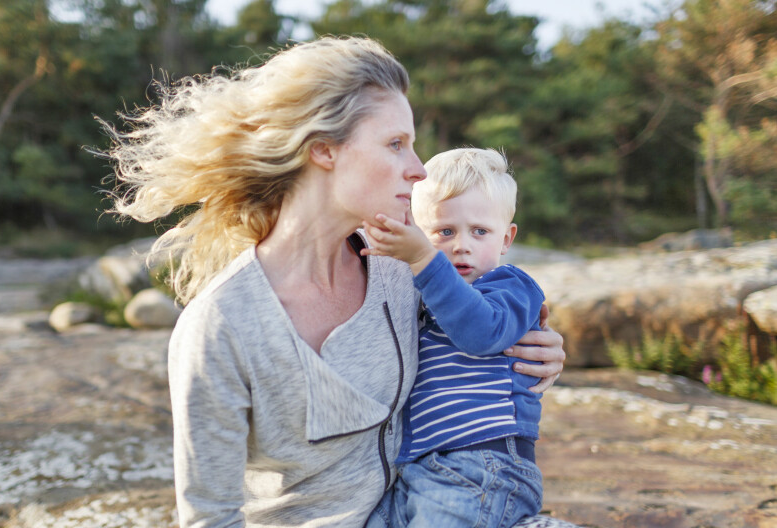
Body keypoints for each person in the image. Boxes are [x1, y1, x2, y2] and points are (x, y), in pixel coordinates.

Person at [103, 36, 565, 528]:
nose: (417, 169)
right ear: (323, 149)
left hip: (424, 508)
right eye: (395, 144)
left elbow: (475, 325)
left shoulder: (397, 266)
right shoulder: (221, 325)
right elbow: (210, 517)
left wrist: (540, 351)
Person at [362, 148, 546, 528]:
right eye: (445, 232)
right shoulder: (423, 294)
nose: (462, 244)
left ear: (506, 238)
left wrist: (426, 261)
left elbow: (482, 332)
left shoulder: (512, 286)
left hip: (484, 462)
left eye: (480, 231)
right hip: (419, 469)